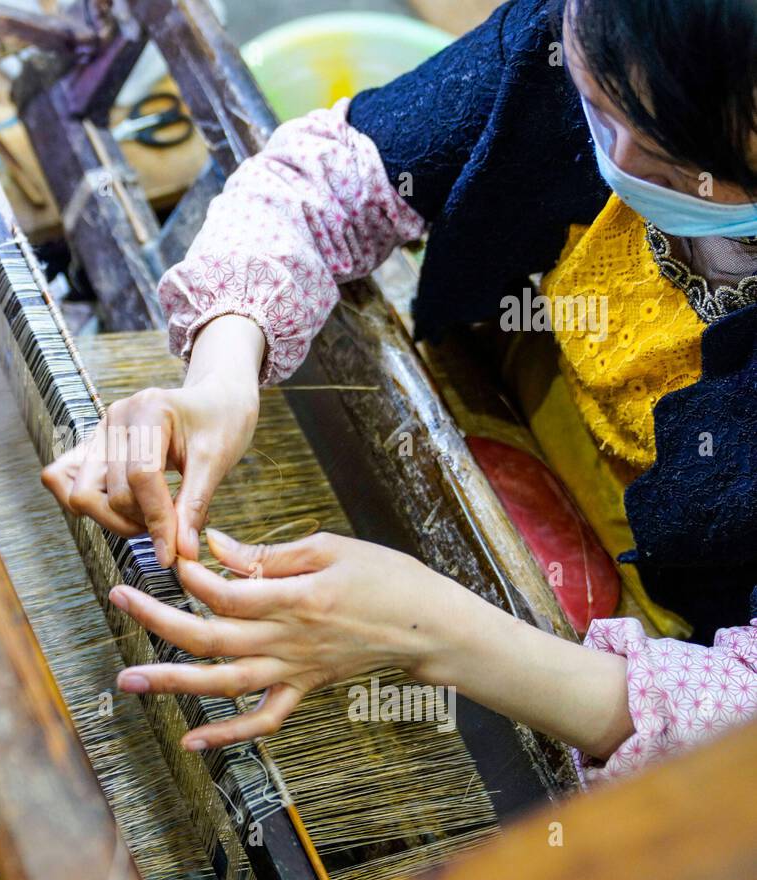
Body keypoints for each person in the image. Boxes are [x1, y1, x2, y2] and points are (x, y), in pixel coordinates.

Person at [40, 0, 757, 781]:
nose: (613, 155)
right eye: (597, 107)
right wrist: (221, 375)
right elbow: (322, 182)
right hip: (521, 390)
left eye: (664, 161)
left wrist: (434, 632)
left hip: (694, 595)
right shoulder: (592, 39)